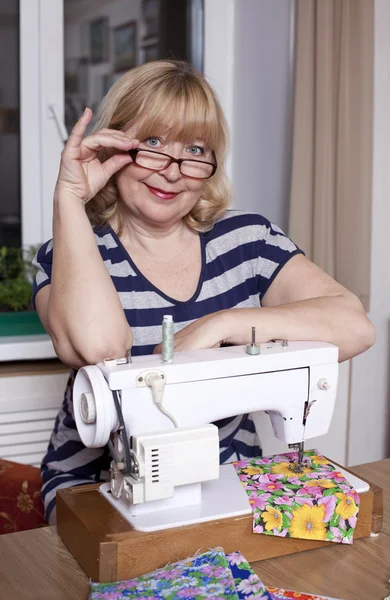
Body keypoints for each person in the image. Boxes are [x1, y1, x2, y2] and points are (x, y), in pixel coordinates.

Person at [32, 60, 375, 525]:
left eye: (194, 149)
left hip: (231, 473)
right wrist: (69, 198)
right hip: (96, 488)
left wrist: (222, 325)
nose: (173, 171)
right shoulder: (72, 251)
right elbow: (98, 348)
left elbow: (354, 327)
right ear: (112, 146)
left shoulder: (247, 239)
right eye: (152, 143)